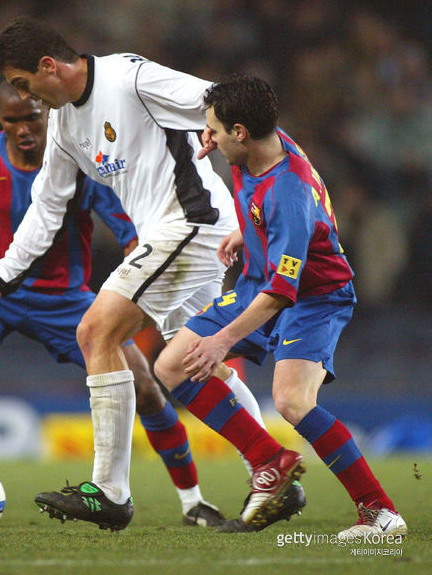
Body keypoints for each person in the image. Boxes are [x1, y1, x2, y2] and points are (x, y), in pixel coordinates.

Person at [0, 81, 247, 528]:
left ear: (47, 115)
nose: (24, 128)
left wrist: (139, 262)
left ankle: (193, 503)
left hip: (63, 297)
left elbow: (128, 229)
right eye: (13, 120)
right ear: (0, 119)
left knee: (146, 387)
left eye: (32, 118)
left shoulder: (76, 163)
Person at [0, 17, 304, 531]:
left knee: (95, 330)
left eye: (25, 84)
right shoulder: (65, 126)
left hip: (193, 224)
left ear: (49, 66)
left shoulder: (128, 78)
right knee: (195, 363)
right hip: (180, 236)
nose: (27, 98)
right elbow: (47, 207)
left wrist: (261, 157)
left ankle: (110, 492)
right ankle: (270, 467)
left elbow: (224, 101)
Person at [154, 74, 407, 538]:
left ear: (241, 133)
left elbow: (281, 292)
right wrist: (247, 232)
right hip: (257, 280)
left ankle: (380, 513)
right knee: (171, 366)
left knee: (291, 401)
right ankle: (270, 461)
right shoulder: (262, 142)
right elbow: (264, 236)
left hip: (312, 297)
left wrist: (221, 342)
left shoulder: (287, 193)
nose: (206, 137)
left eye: (213, 128)